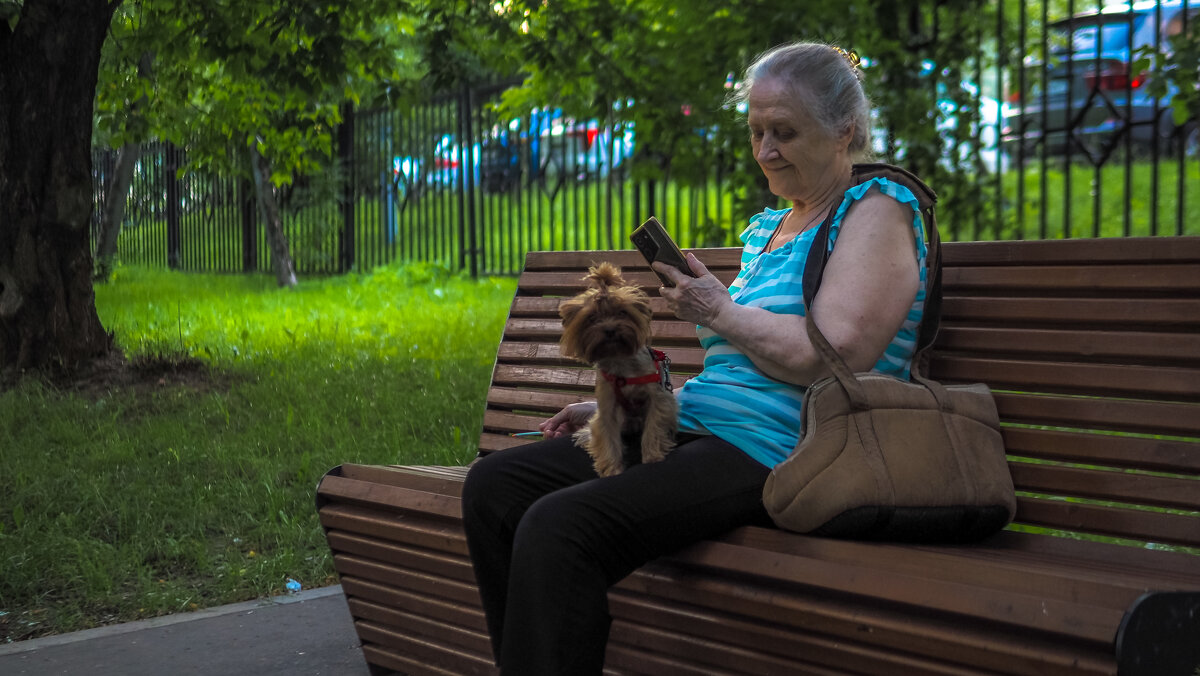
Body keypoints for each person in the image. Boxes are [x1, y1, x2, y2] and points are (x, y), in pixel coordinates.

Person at [461, 41, 928, 675]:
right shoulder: (775, 228)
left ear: (844, 130)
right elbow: (739, 366)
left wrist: (719, 309)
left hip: (782, 451)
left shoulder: (876, 209)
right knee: (496, 488)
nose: (764, 150)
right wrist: (633, 401)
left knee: (559, 528)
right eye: (756, 131)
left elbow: (834, 354)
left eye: (784, 132)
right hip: (698, 429)